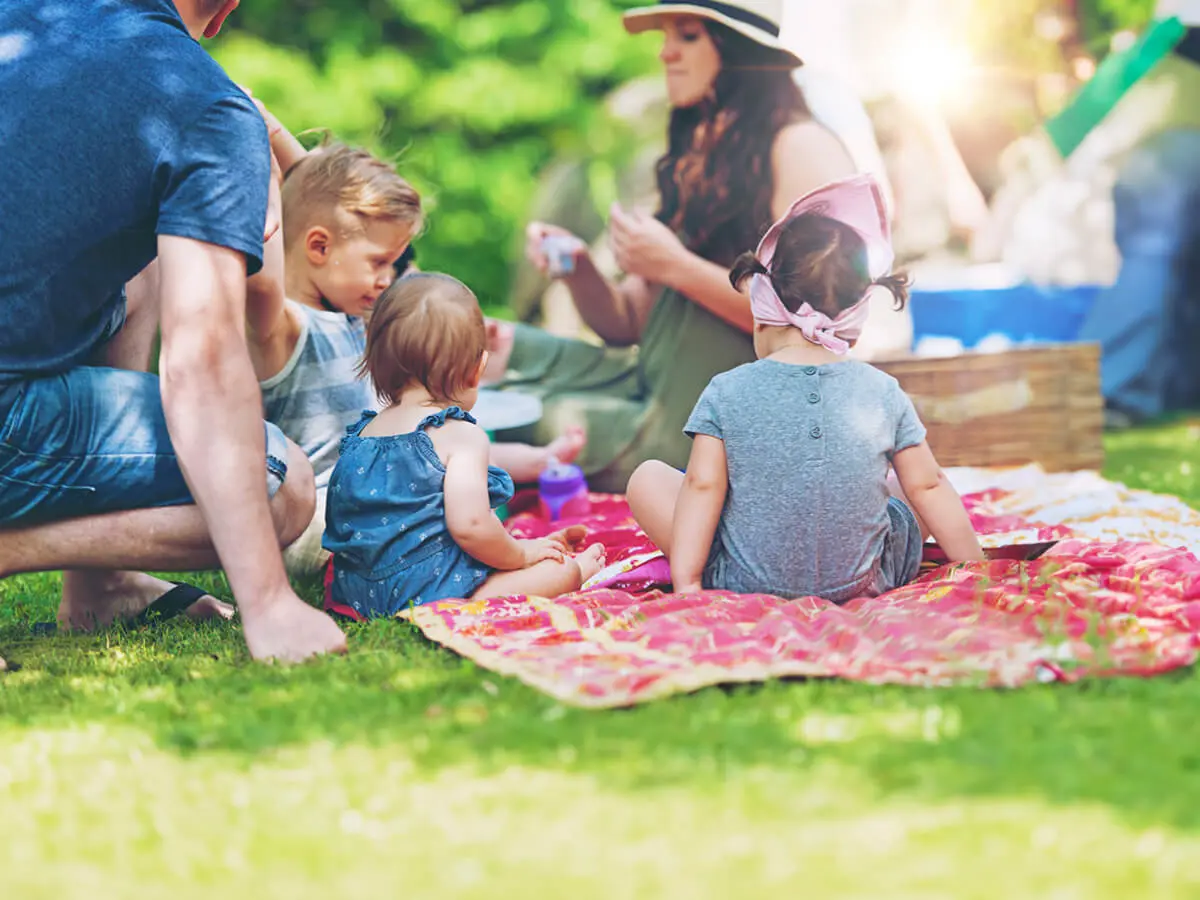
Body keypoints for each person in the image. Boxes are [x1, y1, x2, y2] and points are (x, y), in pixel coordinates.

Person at [0, 0, 347, 666]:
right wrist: (270, 601)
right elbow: (204, 359)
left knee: (149, 262)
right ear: (224, 12)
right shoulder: (201, 104)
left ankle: (103, 586)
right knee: (282, 486)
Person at [484, 0, 857, 493]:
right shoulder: (697, 156)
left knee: (510, 421)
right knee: (498, 357)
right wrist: (578, 269)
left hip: (717, 427)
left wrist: (676, 265)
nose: (664, 54)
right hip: (654, 384)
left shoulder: (802, 147)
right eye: (665, 37)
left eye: (686, 36)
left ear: (741, 51)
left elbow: (822, 329)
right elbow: (627, 325)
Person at [242, 124, 585, 579]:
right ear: (318, 247)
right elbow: (273, 256)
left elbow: (315, 191)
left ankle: (535, 466)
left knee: (440, 438)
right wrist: (251, 147)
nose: (390, 277)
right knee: (451, 491)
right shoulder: (283, 328)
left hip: (375, 505)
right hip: (318, 525)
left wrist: (274, 130)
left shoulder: (358, 314)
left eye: (395, 262)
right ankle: (490, 557)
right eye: (379, 262)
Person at [627, 176, 984, 602]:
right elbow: (930, 487)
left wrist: (688, 584)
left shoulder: (725, 391)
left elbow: (703, 487)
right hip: (866, 581)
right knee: (913, 482)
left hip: (744, 582)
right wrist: (977, 570)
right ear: (855, 316)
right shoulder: (883, 391)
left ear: (761, 309)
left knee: (648, 479)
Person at [324, 273, 606, 619]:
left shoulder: (364, 432)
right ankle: (578, 572)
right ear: (476, 371)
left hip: (355, 590)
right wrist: (521, 555)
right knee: (558, 571)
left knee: (500, 553)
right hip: (425, 592)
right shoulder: (461, 435)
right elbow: (472, 526)